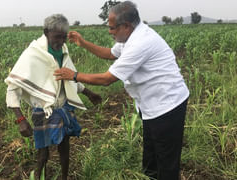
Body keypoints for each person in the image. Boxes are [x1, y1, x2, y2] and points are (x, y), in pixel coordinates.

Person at [54, 1, 189, 180]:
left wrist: (73, 75)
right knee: (151, 156)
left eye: (112, 28)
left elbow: (106, 79)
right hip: (152, 105)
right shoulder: (130, 36)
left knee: (166, 160)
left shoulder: (141, 42)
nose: (110, 32)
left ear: (126, 26)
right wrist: (83, 43)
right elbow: (110, 53)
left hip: (167, 106)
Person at [5, 14, 102, 180]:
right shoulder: (33, 54)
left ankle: (64, 177)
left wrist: (89, 93)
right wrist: (21, 120)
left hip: (64, 107)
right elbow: (13, 88)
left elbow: (70, 79)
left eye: (64, 37)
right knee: (43, 152)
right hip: (43, 110)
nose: (62, 41)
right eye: (58, 37)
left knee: (65, 147)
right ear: (46, 32)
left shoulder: (63, 51)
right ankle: (38, 177)